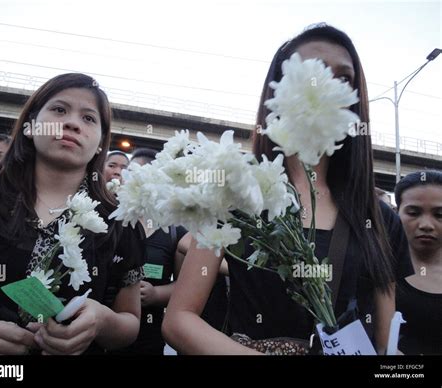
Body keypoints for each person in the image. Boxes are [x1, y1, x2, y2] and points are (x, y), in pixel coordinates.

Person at [162, 23, 413, 355]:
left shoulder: (380, 219)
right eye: (313, 72)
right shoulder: (233, 197)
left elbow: (384, 345)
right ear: (278, 90)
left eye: (343, 78)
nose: (326, 85)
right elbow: (179, 319)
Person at [0, 73, 145, 355]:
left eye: (89, 118)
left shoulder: (118, 221)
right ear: (30, 126)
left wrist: (102, 321)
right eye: (59, 110)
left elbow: (131, 322)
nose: (73, 123)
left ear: (100, 142)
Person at [112, 147, 191, 355]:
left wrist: (156, 294)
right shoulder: (111, 223)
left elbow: (184, 285)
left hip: (150, 337)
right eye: (132, 173)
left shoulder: (176, 231)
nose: (136, 180)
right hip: (105, 332)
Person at [395, 170, 442, 354]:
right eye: (414, 213)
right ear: (396, 212)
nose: (426, 225)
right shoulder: (376, 269)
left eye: (440, 215)